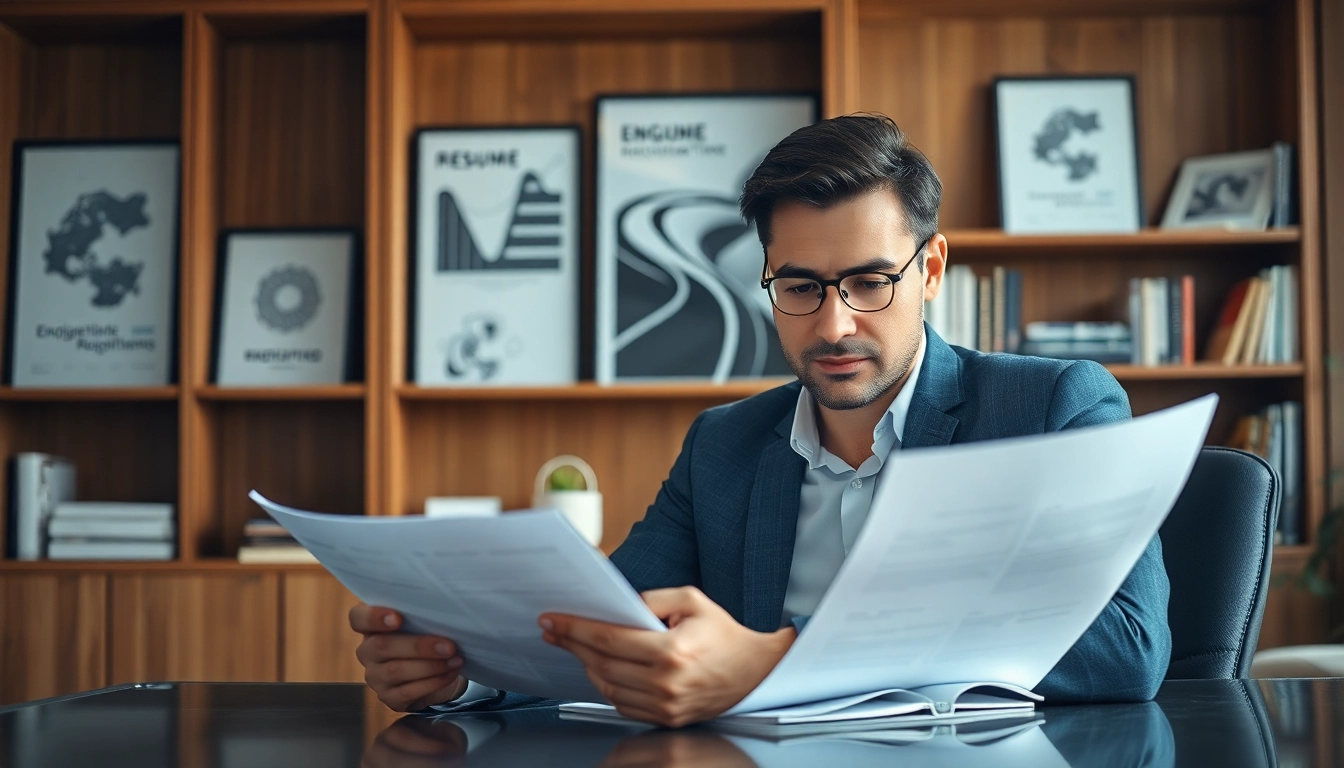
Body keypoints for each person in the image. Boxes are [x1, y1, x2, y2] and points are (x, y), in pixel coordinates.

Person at [349, 114, 1171, 727]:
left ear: (933, 269)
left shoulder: (1052, 407)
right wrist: (460, 670)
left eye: (872, 281)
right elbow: (612, 620)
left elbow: (1129, 650)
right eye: (801, 286)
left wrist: (780, 658)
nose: (836, 324)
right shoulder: (725, 445)